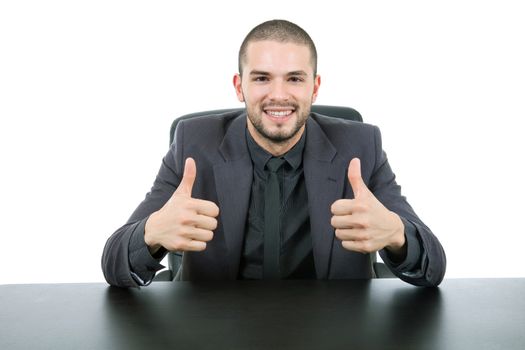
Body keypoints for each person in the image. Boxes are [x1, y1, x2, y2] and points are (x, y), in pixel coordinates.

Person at [102, 19, 446, 288]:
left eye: (295, 79)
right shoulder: (194, 143)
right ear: (240, 87)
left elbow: (434, 265)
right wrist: (151, 232)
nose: (278, 95)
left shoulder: (360, 146)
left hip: (335, 331)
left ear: (315, 87)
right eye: (262, 78)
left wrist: (398, 235)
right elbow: (113, 261)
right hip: (215, 330)